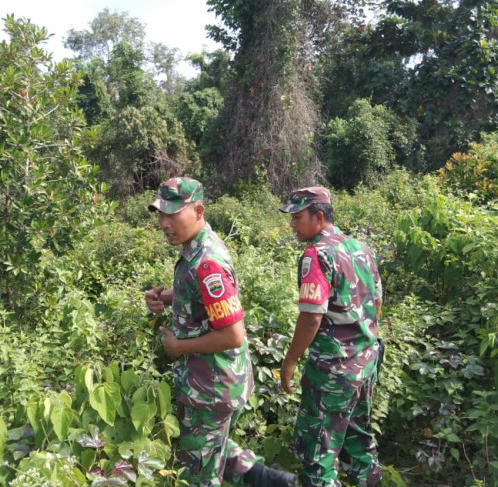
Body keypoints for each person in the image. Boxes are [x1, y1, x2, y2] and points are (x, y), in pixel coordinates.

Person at [144, 177, 298, 487]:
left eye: (173, 214)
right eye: (161, 214)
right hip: (218, 380)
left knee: (198, 469)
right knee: (211, 448)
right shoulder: (198, 248)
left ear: (198, 211)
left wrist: (178, 347)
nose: (164, 222)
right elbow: (206, 299)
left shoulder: (207, 262)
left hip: (210, 386)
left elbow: (233, 334)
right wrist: (166, 297)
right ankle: (272, 481)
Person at [278, 186, 383, 487]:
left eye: (297, 217)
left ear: (319, 217)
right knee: (358, 440)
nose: (293, 224)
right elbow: (376, 302)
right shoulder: (360, 248)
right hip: (365, 364)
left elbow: (312, 317)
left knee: (319, 453)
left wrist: (290, 361)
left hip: (333, 371)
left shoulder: (317, 254)